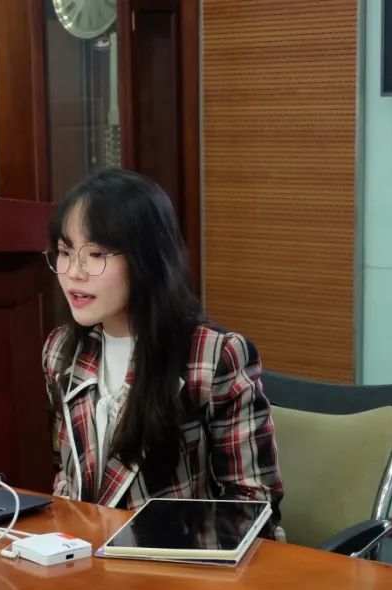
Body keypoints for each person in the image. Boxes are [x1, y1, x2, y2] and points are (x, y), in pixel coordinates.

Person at [41, 168, 283, 538]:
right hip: (85, 561)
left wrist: (139, 552)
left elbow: (253, 505)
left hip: (182, 563)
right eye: (64, 252)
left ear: (146, 258)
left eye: (96, 254)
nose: (74, 272)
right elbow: (66, 475)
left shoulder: (214, 356)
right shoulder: (61, 351)